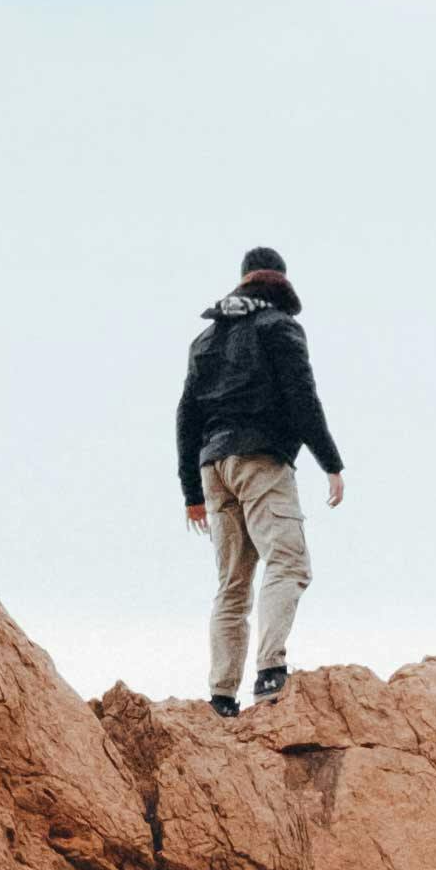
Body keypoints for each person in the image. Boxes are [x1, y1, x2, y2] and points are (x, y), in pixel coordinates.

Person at [176, 250, 345, 718]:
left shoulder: (206, 339)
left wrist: (192, 490)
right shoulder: (280, 328)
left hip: (214, 468)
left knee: (232, 585)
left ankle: (221, 697)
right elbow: (301, 398)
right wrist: (330, 462)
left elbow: (186, 415)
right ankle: (271, 671)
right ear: (281, 282)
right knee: (288, 562)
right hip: (260, 460)